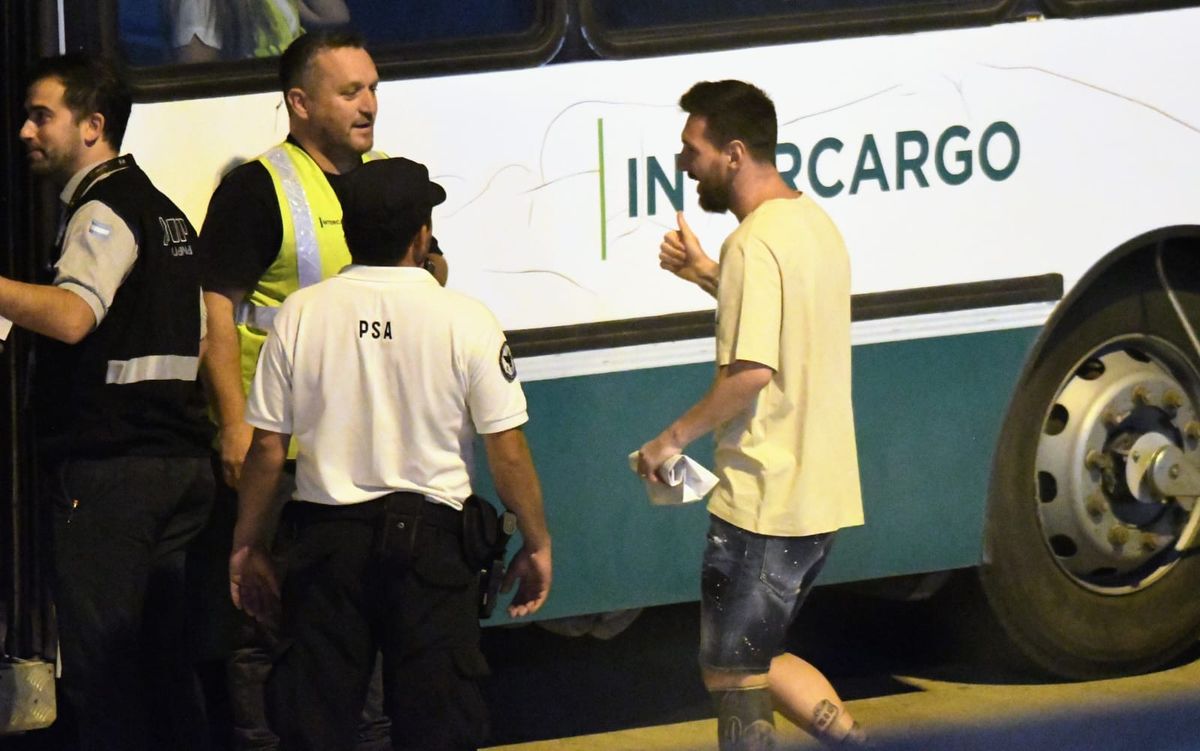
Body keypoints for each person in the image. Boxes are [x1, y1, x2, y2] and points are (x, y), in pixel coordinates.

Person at [229, 157, 552, 751]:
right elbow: (506, 452)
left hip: (326, 550)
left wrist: (247, 545)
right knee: (438, 726)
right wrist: (537, 542)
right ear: (421, 235)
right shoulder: (466, 319)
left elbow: (268, 449)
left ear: (349, 231)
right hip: (434, 553)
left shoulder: (301, 313)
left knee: (315, 725)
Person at [195, 30, 446, 750]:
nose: (370, 105)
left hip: (375, 453)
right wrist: (234, 428)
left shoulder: (396, 179)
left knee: (368, 627)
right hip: (284, 456)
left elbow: (432, 276)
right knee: (265, 622)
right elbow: (217, 317)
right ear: (300, 103)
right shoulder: (257, 190)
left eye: (373, 88)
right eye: (350, 92)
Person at [637, 80, 868, 750]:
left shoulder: (753, 243)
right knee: (756, 655)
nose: (683, 164)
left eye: (693, 150)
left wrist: (670, 440)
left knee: (733, 673)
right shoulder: (813, 224)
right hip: (819, 495)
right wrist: (707, 273)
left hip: (763, 498)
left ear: (734, 153)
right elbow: (786, 322)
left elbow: (751, 372)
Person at [13, 54, 213, 750]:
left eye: (41, 116)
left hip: (113, 473)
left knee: (103, 676)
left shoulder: (102, 210)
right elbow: (203, 334)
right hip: (179, 466)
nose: (25, 132)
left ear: (92, 125)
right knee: (166, 668)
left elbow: (73, 317)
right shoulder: (166, 212)